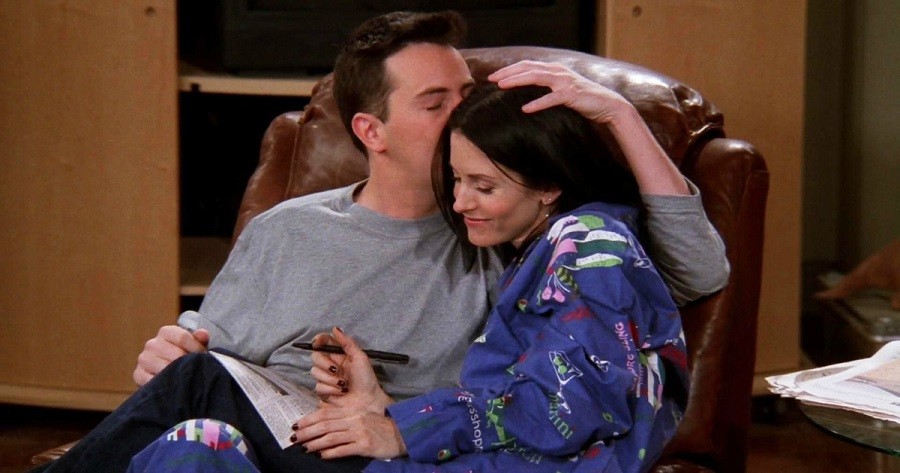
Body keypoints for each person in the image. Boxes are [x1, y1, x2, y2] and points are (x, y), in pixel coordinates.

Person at [35, 10, 723, 472]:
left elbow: (691, 272)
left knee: (199, 390)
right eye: (436, 103)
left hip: (390, 449)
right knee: (196, 432)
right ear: (371, 131)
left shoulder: (508, 235)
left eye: (467, 93)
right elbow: (208, 351)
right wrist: (173, 349)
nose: (467, 114)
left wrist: (618, 115)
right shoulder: (286, 229)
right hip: (270, 434)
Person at [133, 83, 689, 472]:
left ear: (549, 185)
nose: (460, 202)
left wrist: (402, 427)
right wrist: (377, 402)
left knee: (198, 387)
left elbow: (571, 403)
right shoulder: (539, 253)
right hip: (458, 457)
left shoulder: (590, 246)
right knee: (198, 444)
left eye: (484, 187)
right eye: (457, 179)